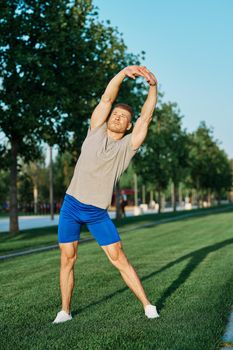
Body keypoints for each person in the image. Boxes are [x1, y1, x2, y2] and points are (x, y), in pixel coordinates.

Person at [53, 65, 159, 323]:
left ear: (128, 125)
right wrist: (123, 73)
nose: (117, 117)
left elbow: (145, 118)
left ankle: (148, 306)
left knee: (118, 257)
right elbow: (107, 98)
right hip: (71, 206)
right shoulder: (96, 129)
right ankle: (65, 312)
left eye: (123, 117)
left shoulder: (127, 147)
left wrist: (153, 88)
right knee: (68, 258)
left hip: (97, 212)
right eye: (116, 114)